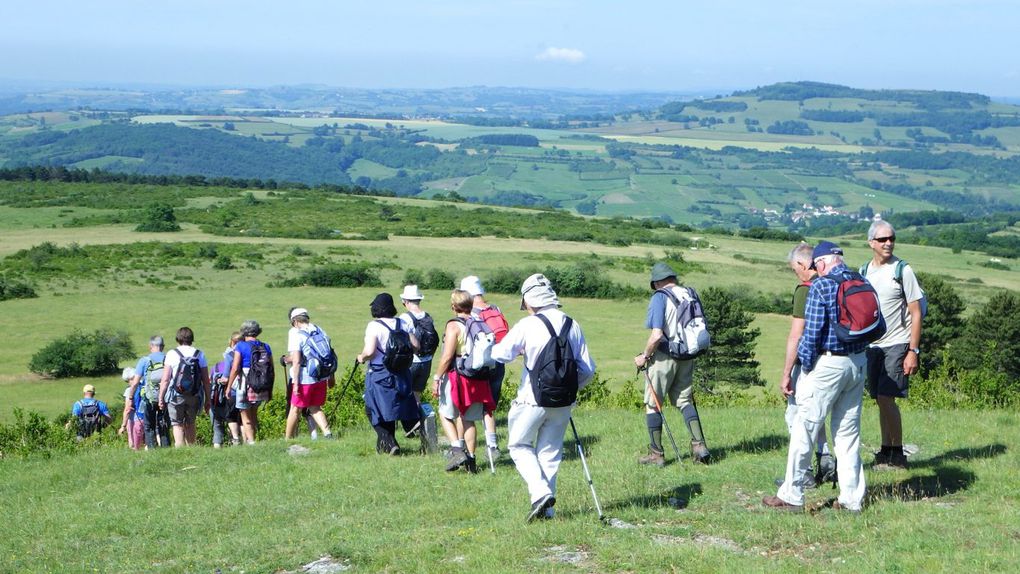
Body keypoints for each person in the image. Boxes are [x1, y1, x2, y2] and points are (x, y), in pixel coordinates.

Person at [763, 241, 868, 513]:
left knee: (803, 428)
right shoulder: (859, 278)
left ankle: (792, 494)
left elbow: (808, 337)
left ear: (819, 263)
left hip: (828, 364)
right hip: (858, 363)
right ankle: (851, 500)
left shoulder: (822, 285)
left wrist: (804, 370)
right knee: (847, 434)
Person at [491, 273, 596, 522]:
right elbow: (588, 370)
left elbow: (502, 354)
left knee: (518, 446)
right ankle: (547, 511)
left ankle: (540, 494)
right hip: (564, 402)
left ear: (529, 301)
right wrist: (569, 389)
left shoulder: (528, 325)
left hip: (531, 399)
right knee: (549, 454)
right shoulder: (573, 324)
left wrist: (492, 345)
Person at [633, 262, 711, 466]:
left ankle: (656, 454)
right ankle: (699, 446)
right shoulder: (689, 293)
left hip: (664, 357)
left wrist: (644, 357)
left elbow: (657, 335)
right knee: (685, 401)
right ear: (673, 278)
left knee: (653, 404)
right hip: (687, 355)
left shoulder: (660, 297)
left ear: (657, 282)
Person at [862, 220, 923, 470]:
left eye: (892, 238)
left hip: (897, 343)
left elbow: (916, 312)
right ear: (871, 243)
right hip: (872, 346)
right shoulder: (865, 271)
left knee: (887, 397)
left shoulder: (902, 270)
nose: (888, 243)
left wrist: (913, 351)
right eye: (883, 239)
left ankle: (897, 453)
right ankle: (886, 449)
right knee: (879, 398)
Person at [777, 243, 834, 488]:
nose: (796, 274)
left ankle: (804, 473)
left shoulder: (805, 290)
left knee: (797, 417)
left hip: (807, 363)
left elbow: (796, 336)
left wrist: (786, 373)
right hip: (832, 361)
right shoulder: (832, 284)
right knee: (817, 415)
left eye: (794, 269)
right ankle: (827, 462)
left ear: (802, 264)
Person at [431, 289, 498, 473]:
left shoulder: (454, 326)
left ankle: (457, 449)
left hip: (458, 377)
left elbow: (447, 357)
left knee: (445, 413)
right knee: (469, 419)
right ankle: (471, 460)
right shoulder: (479, 321)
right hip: (478, 377)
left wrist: (437, 378)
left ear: (453, 306)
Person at [356, 293, 420, 454]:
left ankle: (390, 443)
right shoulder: (403, 323)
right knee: (392, 407)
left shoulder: (374, 326)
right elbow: (416, 346)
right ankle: (387, 444)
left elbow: (370, 351)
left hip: (380, 372)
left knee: (373, 409)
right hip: (402, 372)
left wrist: (361, 357)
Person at [460, 275, 509, 463]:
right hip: (499, 362)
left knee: (466, 409)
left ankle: (462, 447)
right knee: (489, 407)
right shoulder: (496, 309)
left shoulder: (471, 313)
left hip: (481, 365)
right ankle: (493, 445)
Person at [286, 307, 334, 440]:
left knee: (295, 409)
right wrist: (330, 376)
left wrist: (295, 384)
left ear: (295, 321)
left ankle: (287, 440)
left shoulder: (297, 334)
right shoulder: (319, 330)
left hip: (305, 378)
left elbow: (296, 361)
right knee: (315, 407)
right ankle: (327, 434)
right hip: (321, 376)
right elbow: (329, 354)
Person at [158, 327, 211, 447]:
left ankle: (180, 448)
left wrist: (161, 398)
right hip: (194, 394)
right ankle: (192, 448)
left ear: (178, 338)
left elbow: (165, 379)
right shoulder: (199, 354)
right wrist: (208, 399)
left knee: (176, 423)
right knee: (191, 422)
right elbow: (206, 380)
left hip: (176, 395)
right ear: (191, 338)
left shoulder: (172, 354)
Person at [227, 320, 272, 445]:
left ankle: (251, 443)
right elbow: (271, 369)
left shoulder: (241, 346)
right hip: (261, 385)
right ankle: (250, 440)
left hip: (245, 383)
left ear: (244, 332)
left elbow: (235, 368)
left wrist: (229, 387)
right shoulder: (266, 346)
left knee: (245, 416)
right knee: (253, 415)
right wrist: (270, 390)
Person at [126, 335, 170, 449]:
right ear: (163, 346)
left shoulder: (144, 360)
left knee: (149, 425)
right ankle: (166, 449)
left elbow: (135, 382)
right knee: (163, 424)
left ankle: (152, 449)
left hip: (149, 398)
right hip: (166, 397)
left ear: (151, 346)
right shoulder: (168, 359)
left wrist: (130, 397)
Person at [209, 332, 242, 447]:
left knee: (221, 421)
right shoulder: (246, 355)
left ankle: (218, 444)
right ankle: (245, 440)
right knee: (242, 418)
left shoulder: (217, 366)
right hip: (244, 393)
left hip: (223, 398)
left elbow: (217, 380)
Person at [118, 367, 144, 450]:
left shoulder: (129, 390)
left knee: (133, 443)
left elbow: (127, 409)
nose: (128, 383)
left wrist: (123, 426)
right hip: (145, 417)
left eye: (127, 381)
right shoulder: (144, 387)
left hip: (134, 419)